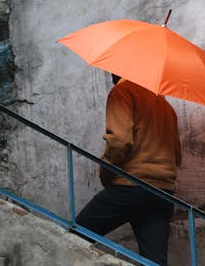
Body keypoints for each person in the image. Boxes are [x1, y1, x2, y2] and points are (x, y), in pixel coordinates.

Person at [76, 74, 181, 265]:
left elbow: (120, 141)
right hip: (162, 193)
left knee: (75, 236)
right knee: (154, 261)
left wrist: (105, 172)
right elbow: (177, 154)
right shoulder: (165, 104)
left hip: (131, 186)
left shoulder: (123, 91)